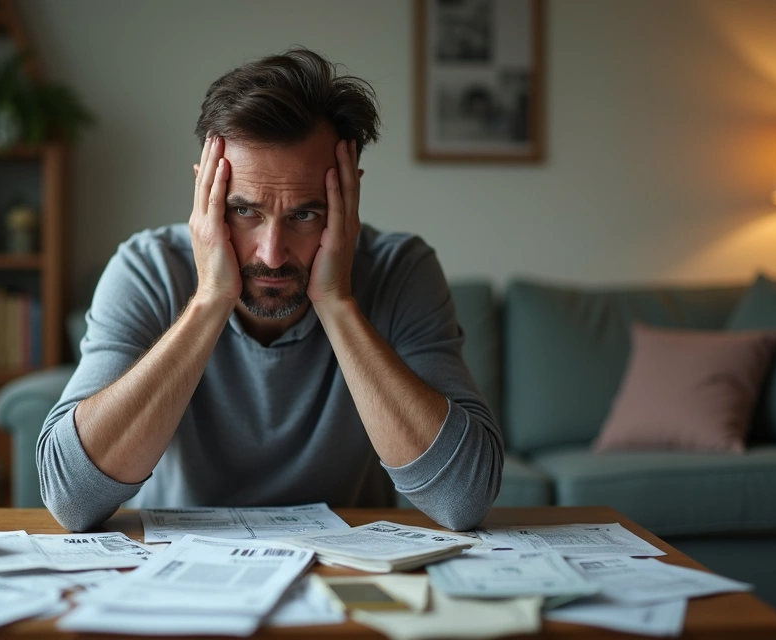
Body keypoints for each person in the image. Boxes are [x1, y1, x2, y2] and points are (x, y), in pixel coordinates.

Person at [38, 47, 502, 532]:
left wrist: (337, 303)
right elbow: (71, 500)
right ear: (205, 196)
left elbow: (463, 499)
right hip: (183, 564)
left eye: (305, 214)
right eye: (244, 211)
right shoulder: (147, 268)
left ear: (348, 196)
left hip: (350, 568)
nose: (272, 253)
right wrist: (210, 299)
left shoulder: (400, 271)